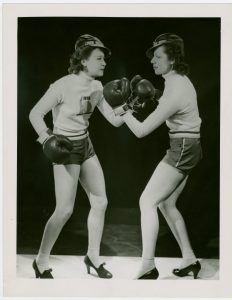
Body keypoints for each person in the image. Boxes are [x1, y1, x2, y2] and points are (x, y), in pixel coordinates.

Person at [103, 33, 202, 280]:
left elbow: (142, 131)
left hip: (182, 148)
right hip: (187, 146)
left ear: (173, 59)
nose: (153, 61)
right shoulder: (177, 81)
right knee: (166, 204)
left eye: (158, 56)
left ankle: (148, 265)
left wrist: (120, 108)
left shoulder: (175, 89)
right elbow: (172, 106)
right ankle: (190, 259)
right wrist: (152, 94)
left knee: (147, 201)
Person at [29, 34, 124, 279]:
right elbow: (35, 114)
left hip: (85, 144)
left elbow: (114, 120)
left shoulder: (96, 86)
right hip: (64, 146)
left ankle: (93, 257)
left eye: (105, 59)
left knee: (100, 202)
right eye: (99, 58)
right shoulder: (62, 85)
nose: (104, 63)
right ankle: (40, 261)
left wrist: (130, 104)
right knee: (64, 211)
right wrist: (47, 138)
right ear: (83, 61)